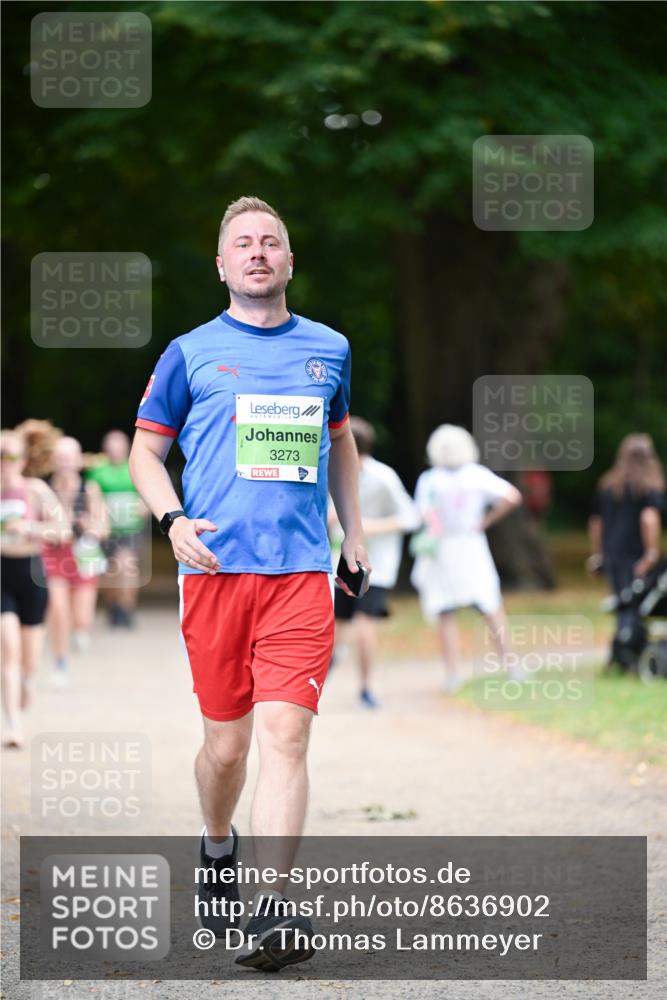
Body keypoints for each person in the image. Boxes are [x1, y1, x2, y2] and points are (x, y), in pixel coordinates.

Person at [129, 195, 369, 972]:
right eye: (243, 243)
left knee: (285, 735)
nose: (258, 252)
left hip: (299, 573)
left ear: (289, 261)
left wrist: (354, 532)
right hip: (216, 575)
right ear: (223, 265)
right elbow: (143, 454)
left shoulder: (327, 350)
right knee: (226, 750)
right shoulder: (189, 353)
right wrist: (171, 521)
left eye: (272, 242)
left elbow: (339, 447)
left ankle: (270, 909)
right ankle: (216, 844)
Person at [410, 424, 522, 693]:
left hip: (443, 547)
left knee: (444, 610)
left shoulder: (430, 479)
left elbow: (422, 514)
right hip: (471, 544)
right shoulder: (477, 475)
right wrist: (485, 521)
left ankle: (452, 674)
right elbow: (511, 496)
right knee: (490, 605)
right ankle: (512, 665)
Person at [329, 416, 419, 708]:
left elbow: (411, 517)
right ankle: (318, 685)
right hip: (337, 562)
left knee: (363, 622)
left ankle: (366, 687)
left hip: (375, 566)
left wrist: (363, 528)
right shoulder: (331, 472)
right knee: (335, 624)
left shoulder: (383, 477)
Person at [1, 429, 71, 747]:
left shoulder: (35, 490)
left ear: (23, 460)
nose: (4, 463)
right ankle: (13, 724)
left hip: (31, 575)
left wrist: (29, 528)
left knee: (29, 661)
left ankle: (27, 682)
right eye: (0, 456)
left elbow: (63, 529)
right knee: (8, 650)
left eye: (10, 456)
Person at [588, 433, 665, 668]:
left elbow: (596, 522)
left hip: (613, 555)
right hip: (636, 556)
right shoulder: (650, 487)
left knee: (623, 603)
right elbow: (649, 519)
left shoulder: (608, 485)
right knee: (634, 604)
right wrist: (651, 553)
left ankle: (622, 652)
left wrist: (598, 554)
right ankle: (628, 652)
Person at [43, 436, 109, 682]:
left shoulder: (89, 488)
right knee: (58, 610)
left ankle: (80, 632)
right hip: (53, 555)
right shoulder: (44, 489)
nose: (65, 463)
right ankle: (60, 663)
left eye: (69, 458)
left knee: (81, 619)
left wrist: (90, 526)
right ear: (53, 461)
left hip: (83, 557)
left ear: (79, 460)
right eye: (60, 458)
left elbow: (104, 525)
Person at [87, 430, 148, 627]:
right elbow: (92, 496)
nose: (115, 450)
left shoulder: (135, 467)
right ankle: (114, 605)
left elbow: (146, 493)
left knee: (128, 566)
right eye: (111, 446)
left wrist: (143, 508)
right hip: (108, 530)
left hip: (130, 529)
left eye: (119, 446)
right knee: (111, 570)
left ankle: (127, 607)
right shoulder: (97, 471)